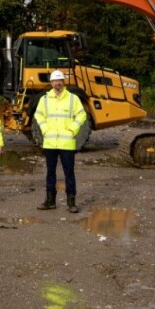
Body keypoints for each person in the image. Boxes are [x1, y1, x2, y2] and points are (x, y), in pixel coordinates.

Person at [34, 70, 87, 213]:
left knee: (69, 173)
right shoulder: (44, 99)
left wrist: (72, 130)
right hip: (50, 142)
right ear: (51, 83)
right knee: (50, 173)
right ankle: (50, 201)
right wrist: (45, 129)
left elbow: (81, 115)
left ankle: (71, 203)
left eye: (60, 80)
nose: (58, 83)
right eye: (55, 81)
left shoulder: (72, 98)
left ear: (63, 82)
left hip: (67, 144)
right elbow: (38, 115)